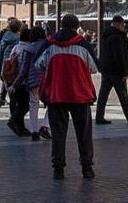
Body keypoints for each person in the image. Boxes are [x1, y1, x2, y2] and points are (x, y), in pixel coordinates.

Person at [33, 14, 100, 181]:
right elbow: (94, 68)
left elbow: (38, 64)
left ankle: (58, 169)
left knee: (58, 134)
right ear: (77, 27)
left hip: (56, 94)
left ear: (61, 25)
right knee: (84, 133)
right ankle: (87, 167)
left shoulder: (50, 43)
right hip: (80, 94)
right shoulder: (83, 44)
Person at [94, 14, 128, 125]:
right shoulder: (117, 37)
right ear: (116, 24)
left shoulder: (107, 35)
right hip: (116, 71)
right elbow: (120, 56)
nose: (123, 26)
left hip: (106, 69)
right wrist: (124, 72)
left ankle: (99, 116)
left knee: (103, 94)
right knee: (123, 94)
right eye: (121, 24)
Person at [4, 25, 48, 140]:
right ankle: (45, 126)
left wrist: (14, 85)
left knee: (33, 105)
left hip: (33, 82)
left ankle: (34, 131)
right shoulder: (49, 46)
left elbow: (23, 70)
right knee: (52, 104)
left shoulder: (29, 49)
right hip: (48, 80)